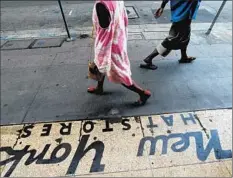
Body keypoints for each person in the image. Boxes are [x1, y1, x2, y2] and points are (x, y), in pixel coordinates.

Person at [88, 0, 151, 106]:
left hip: (109, 46)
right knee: (101, 65)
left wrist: (100, 48)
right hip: (118, 38)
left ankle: (142, 93)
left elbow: (104, 27)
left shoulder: (101, 4)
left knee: (119, 74)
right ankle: (99, 88)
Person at [140, 0, 202, 70]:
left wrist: (162, 7)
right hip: (183, 14)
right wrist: (162, 7)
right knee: (173, 39)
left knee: (185, 36)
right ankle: (149, 58)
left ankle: (184, 57)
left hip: (184, 13)